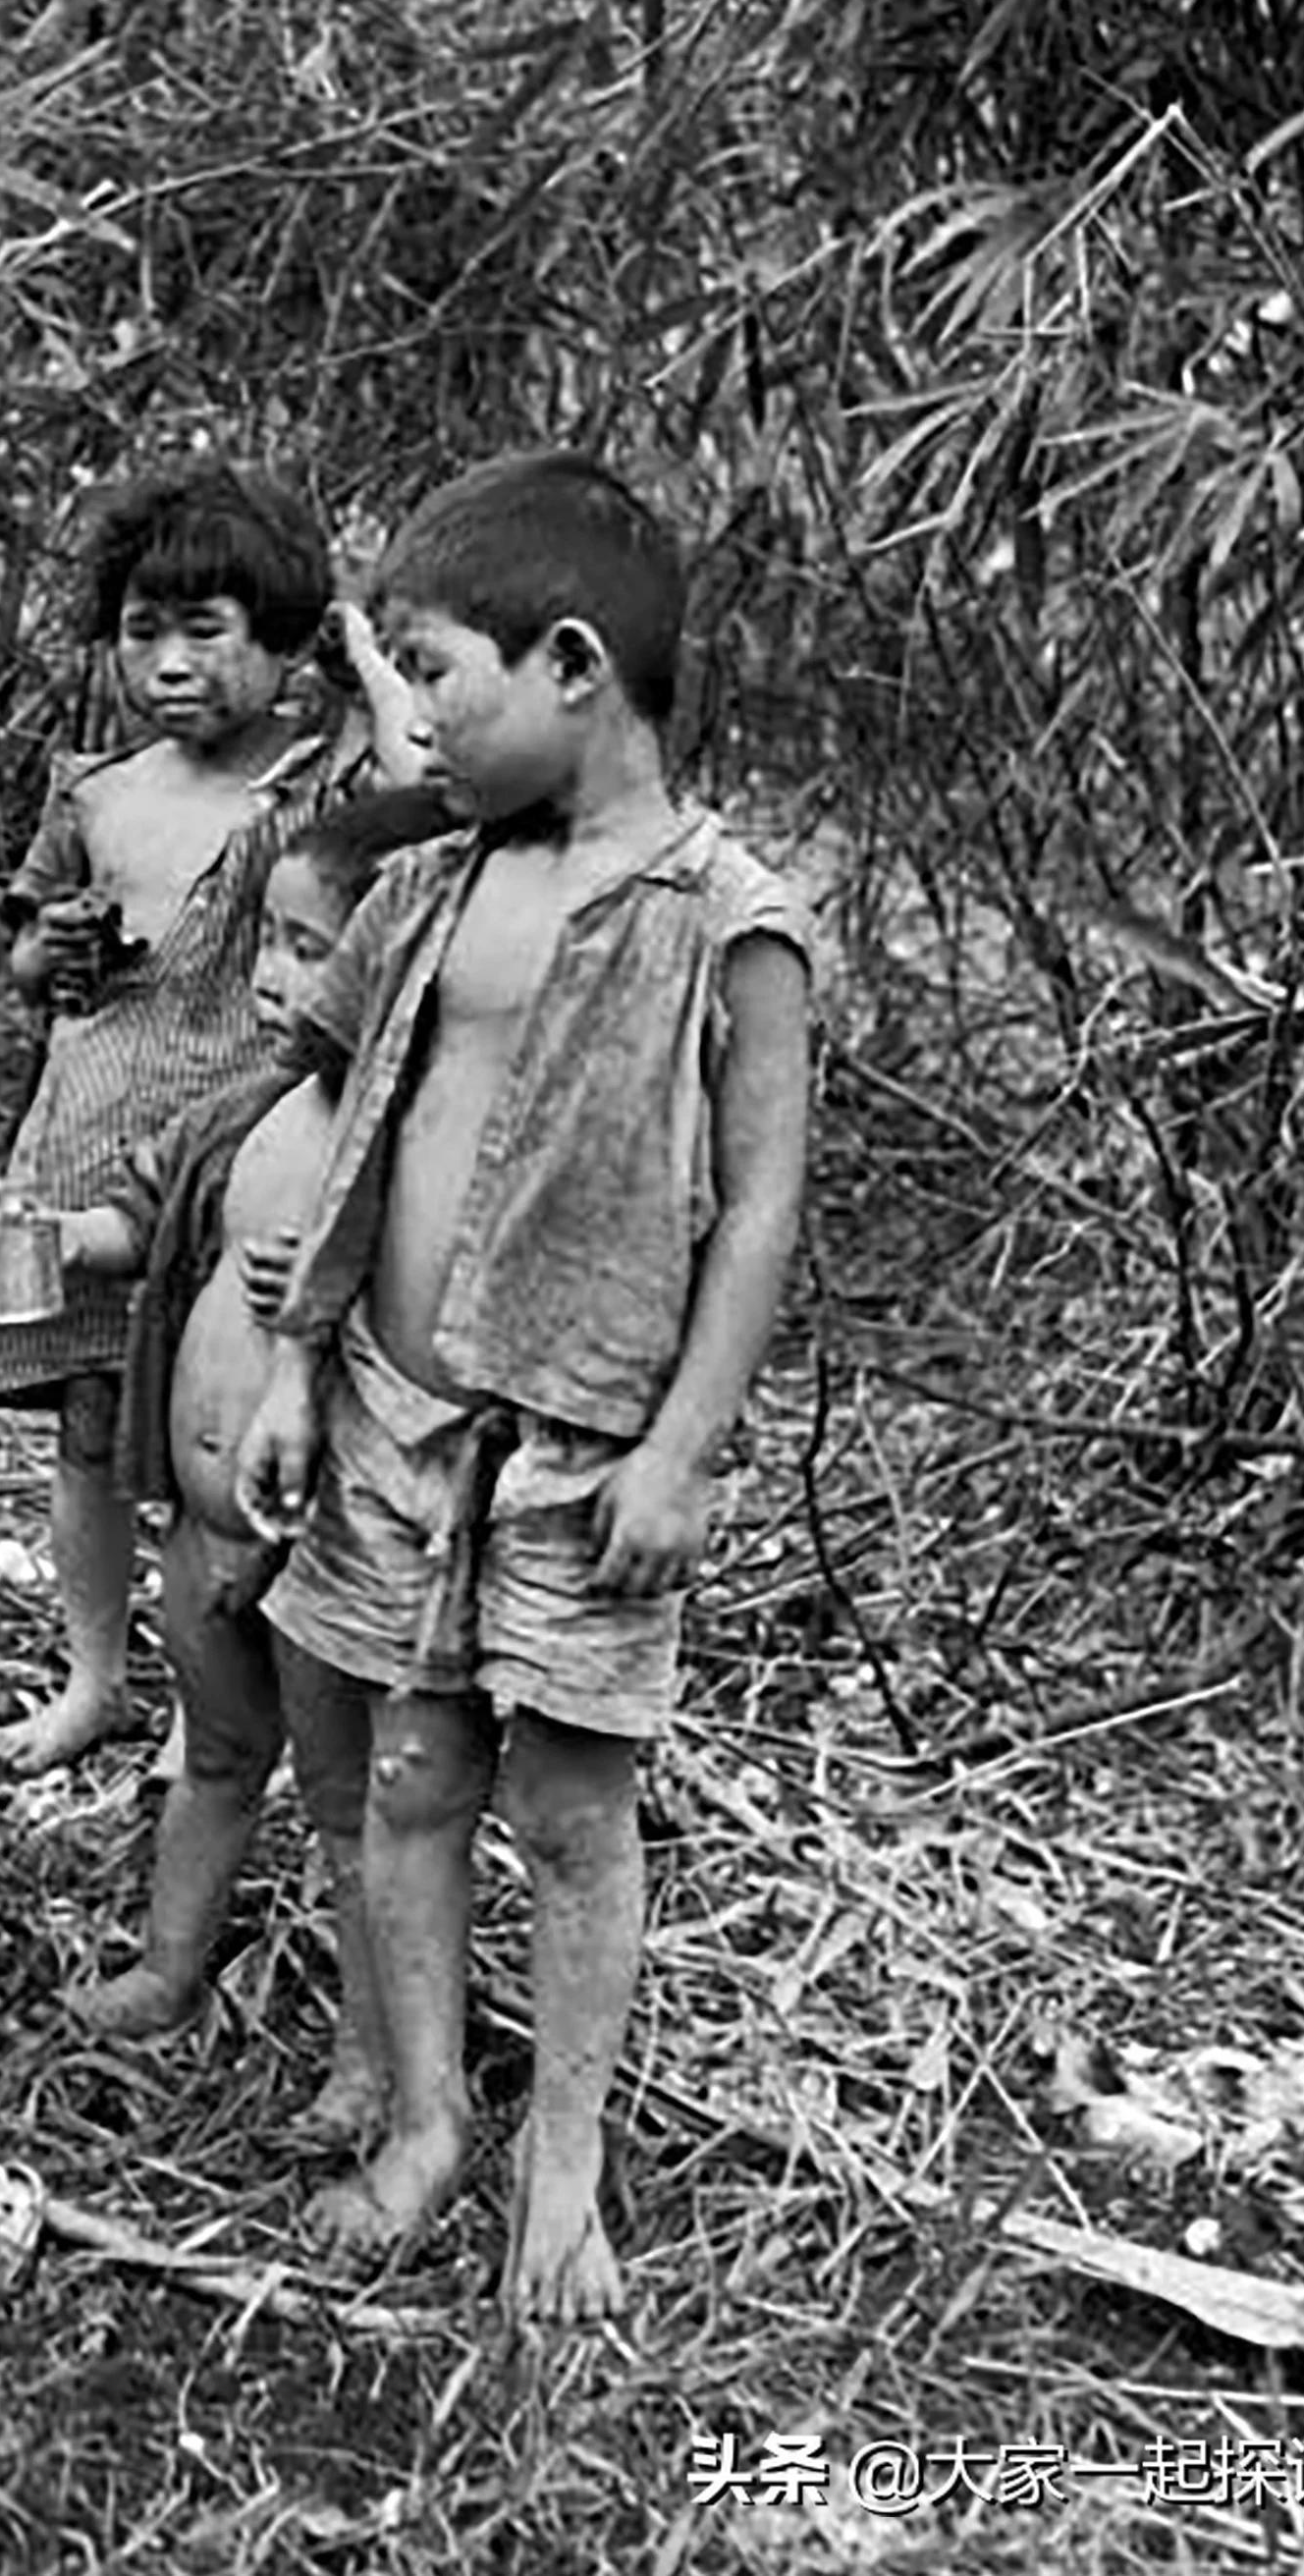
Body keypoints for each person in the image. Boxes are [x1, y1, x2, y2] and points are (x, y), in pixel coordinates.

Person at [234, 452, 813, 2322]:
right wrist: (296, 1364)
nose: (408, 719)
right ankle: (425, 2123)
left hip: (577, 1451)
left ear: (572, 665)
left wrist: (682, 1451)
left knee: (568, 1808)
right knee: (408, 1775)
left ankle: (560, 2165)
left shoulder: (730, 918)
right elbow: (342, 1130)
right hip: (395, 1421)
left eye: (434, 674)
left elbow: (755, 1212)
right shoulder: (422, 890)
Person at [0, 460, 418, 1774]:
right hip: (88, 1142)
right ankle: (92, 1673)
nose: (168, 663)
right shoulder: (98, 791)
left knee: (203, 1437)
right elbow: (20, 965)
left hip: (230, 1170)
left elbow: (427, 797)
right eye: (140, 632)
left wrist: (358, 656)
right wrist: (44, 952)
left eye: (205, 631)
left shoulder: (315, 786)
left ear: (281, 640)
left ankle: (209, 1708)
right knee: (86, 1433)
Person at [51, 790, 461, 2101]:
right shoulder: (253, 1103)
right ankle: (170, 1967)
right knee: (216, 1750)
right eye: (271, 944)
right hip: (200, 1517)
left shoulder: (410, 1143)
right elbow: (140, 1205)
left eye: (311, 949)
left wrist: (339, 1287)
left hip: (323, 1545)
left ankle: (367, 2054)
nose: (277, 978)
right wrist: (51, 1239)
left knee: (352, 1807)